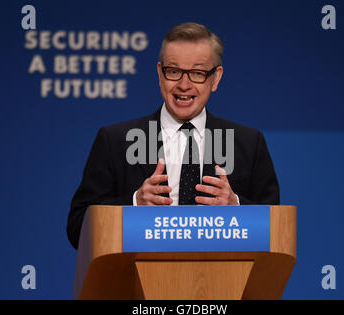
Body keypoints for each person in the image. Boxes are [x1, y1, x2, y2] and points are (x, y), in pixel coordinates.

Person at [67, 22, 280, 249]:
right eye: (174, 71)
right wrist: (134, 204)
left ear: (215, 78)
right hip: (135, 281)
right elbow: (77, 229)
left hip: (221, 281)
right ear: (160, 74)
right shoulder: (116, 141)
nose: (184, 85)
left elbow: (276, 231)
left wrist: (235, 206)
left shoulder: (248, 143)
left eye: (197, 73)